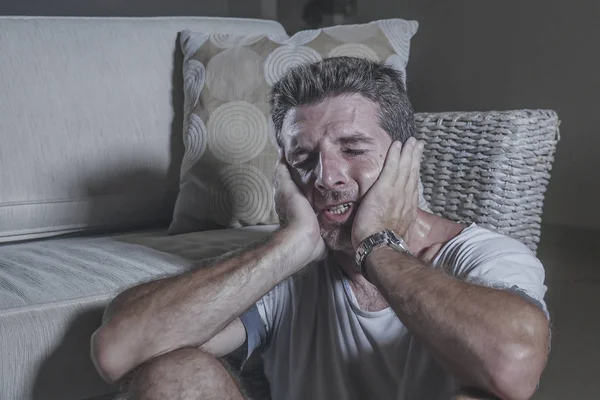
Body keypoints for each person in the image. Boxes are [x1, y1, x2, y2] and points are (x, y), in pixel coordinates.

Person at [91, 57, 550, 400]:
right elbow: (117, 351)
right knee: (174, 376)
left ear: (407, 159)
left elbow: (514, 364)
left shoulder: (481, 256)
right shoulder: (288, 268)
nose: (326, 178)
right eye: (305, 159)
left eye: (352, 148)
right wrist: (290, 246)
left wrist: (377, 246)